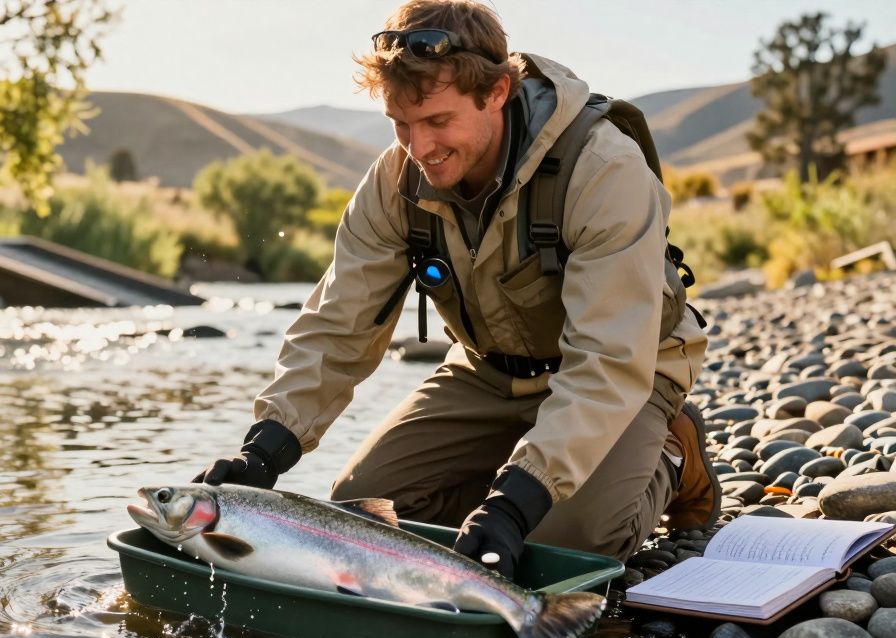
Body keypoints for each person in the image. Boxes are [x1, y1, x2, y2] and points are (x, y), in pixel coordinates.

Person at [193, 0, 718, 578]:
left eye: (438, 121)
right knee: (363, 512)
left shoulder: (603, 169)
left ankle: (671, 455)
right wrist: (265, 448)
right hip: (485, 372)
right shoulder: (396, 180)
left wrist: (517, 503)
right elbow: (338, 323)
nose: (419, 148)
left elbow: (609, 360)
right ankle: (521, 471)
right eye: (400, 123)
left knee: (564, 550)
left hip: (627, 373)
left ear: (497, 92)